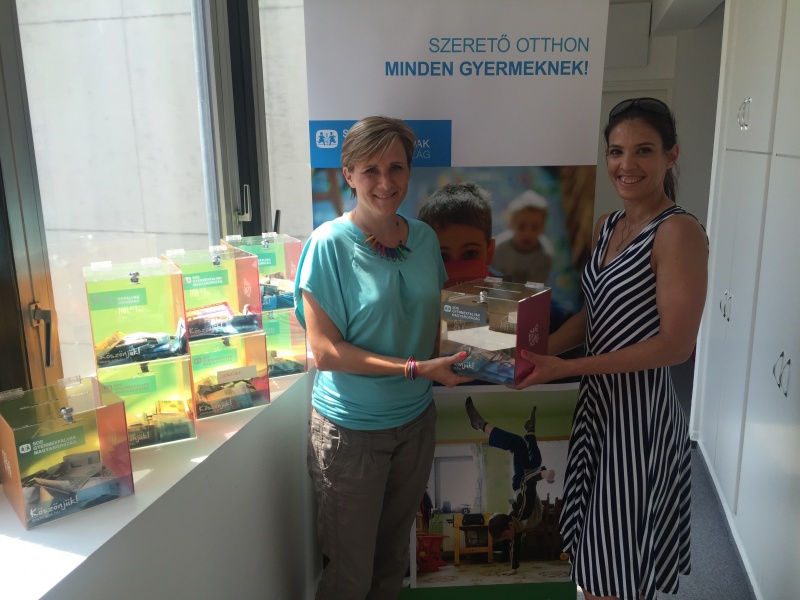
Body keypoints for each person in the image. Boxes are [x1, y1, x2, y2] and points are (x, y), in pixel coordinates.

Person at [512, 98, 708, 600]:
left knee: (615, 569)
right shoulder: (605, 226)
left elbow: (677, 345)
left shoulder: (678, 231)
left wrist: (568, 368)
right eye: (617, 151)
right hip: (599, 408)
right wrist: (536, 354)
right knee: (594, 559)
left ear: (671, 155)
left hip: (639, 419)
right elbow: (593, 316)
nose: (627, 164)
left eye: (644, 150)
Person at [294, 115, 472, 600]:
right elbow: (326, 352)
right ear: (348, 175)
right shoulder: (328, 245)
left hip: (415, 425)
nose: (385, 182)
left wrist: (489, 349)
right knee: (350, 578)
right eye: (370, 169)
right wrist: (415, 369)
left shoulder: (424, 239)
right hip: (350, 435)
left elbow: (439, 319)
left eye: (396, 168)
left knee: (392, 563)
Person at [465, 397, 555, 574]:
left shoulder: (522, 512)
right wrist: (513, 568)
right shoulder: (515, 526)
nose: (508, 538)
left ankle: (481, 425)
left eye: (505, 535)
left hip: (522, 481)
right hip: (525, 484)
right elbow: (514, 545)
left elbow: (527, 482)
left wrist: (543, 474)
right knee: (534, 460)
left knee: (517, 444)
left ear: (510, 526)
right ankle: (530, 430)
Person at [417, 182, 497, 287]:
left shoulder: (505, 293)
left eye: (470, 254)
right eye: (442, 256)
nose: (457, 269)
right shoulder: (416, 291)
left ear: (489, 253)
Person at [491, 189, 552, 285]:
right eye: (522, 227)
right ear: (511, 224)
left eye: (535, 227)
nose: (528, 234)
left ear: (543, 227)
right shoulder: (498, 248)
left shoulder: (544, 255)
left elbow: (536, 288)